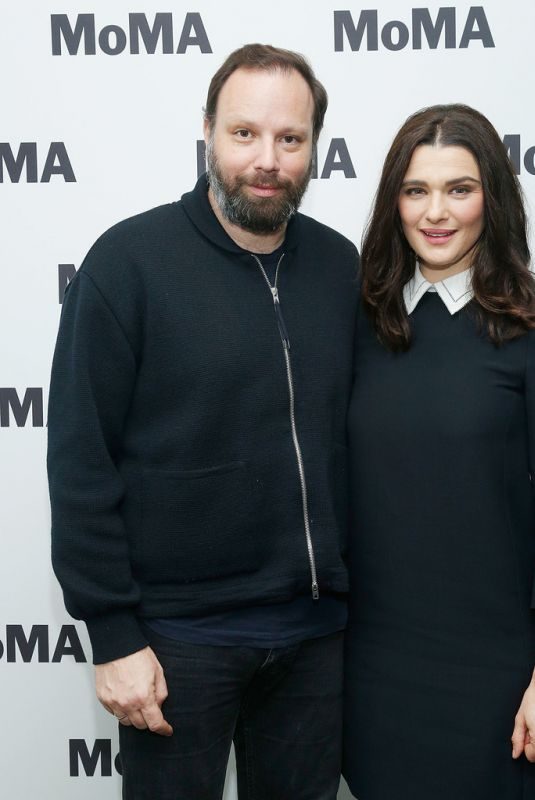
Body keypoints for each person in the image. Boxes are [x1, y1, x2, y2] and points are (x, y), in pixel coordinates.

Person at [47, 43, 358, 799]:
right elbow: (81, 460)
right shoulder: (129, 263)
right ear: (207, 132)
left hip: (315, 636)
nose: (267, 159)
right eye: (243, 133)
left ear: (315, 145)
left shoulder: (340, 266)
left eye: (289, 139)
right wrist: (114, 634)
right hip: (179, 642)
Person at [344, 103, 535, 799]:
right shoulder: (357, 327)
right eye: (415, 190)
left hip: (496, 672)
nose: (436, 212)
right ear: (393, 200)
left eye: (459, 188)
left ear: (493, 198)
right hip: (370, 670)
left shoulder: (526, 330)